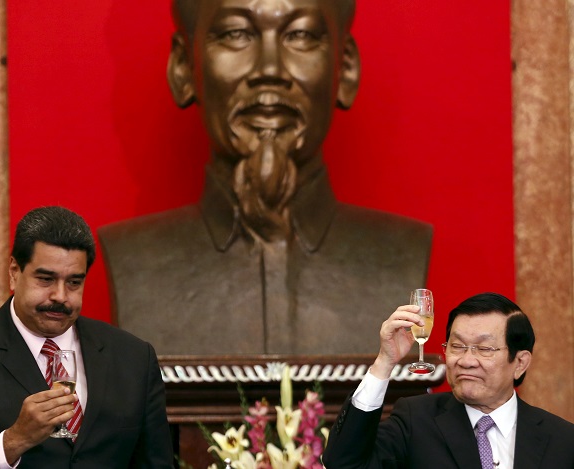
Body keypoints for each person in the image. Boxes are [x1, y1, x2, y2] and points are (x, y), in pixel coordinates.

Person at [98, 0, 433, 356]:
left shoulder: (400, 252)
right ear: (183, 68)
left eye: (300, 34)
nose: (270, 69)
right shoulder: (135, 261)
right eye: (235, 34)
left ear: (345, 67)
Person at [0, 206, 174, 468]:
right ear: (14, 271)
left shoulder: (134, 357)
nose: (60, 296)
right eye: (46, 279)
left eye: (74, 282)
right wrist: (14, 440)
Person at [322, 292, 574, 468]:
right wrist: (384, 362)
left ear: (519, 363)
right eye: (457, 346)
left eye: (484, 349)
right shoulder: (416, 420)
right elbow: (344, 463)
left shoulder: (562, 440)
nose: (466, 360)